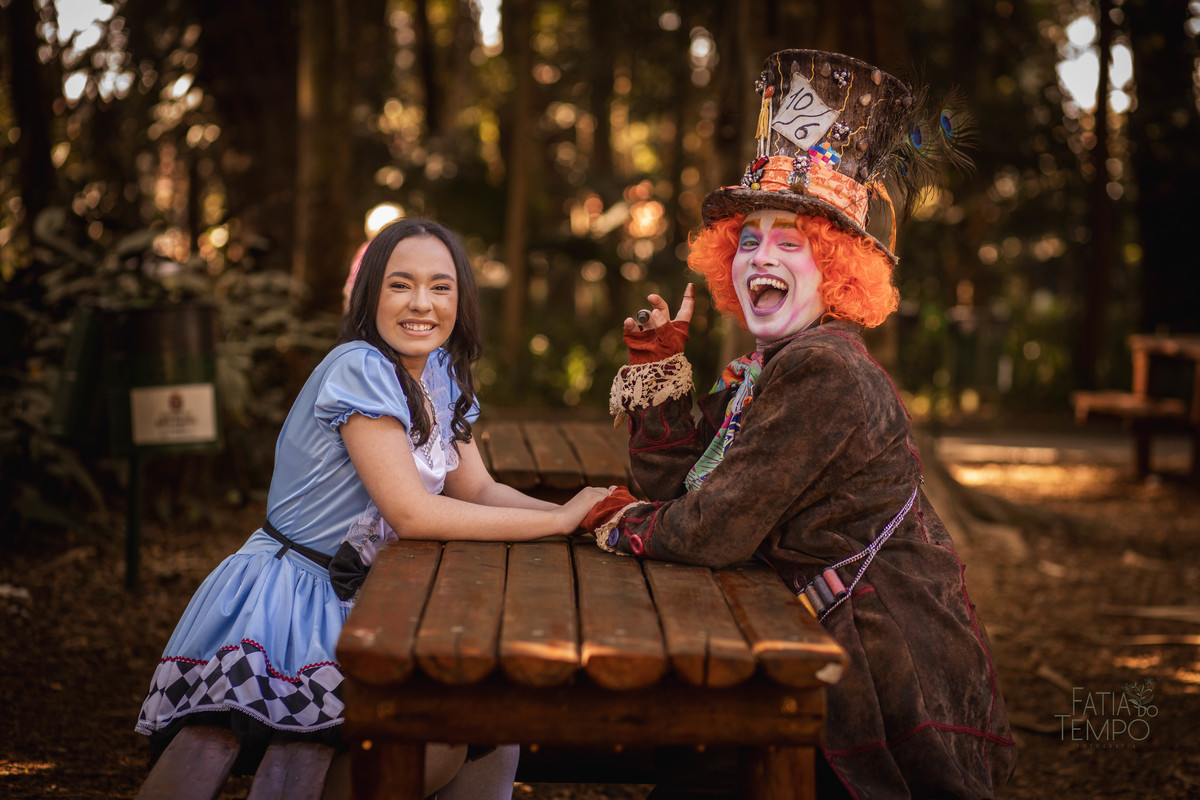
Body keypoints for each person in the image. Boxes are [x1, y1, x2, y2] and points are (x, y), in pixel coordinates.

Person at [584, 50, 1016, 798]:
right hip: (801, 636)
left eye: (791, 242)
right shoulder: (770, 366)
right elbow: (678, 489)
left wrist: (614, 522)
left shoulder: (824, 370)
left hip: (871, 670)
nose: (762, 257)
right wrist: (659, 368)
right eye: (748, 240)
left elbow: (709, 532)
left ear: (838, 269)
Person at [135, 217, 610, 799]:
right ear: (370, 296)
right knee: (433, 742)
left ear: (460, 300)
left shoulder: (439, 372)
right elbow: (412, 513)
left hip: (373, 596)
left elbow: (477, 491)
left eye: (440, 287)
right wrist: (556, 521)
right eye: (400, 284)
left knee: (491, 731)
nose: (422, 303)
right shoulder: (359, 367)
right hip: (294, 601)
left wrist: (578, 516)